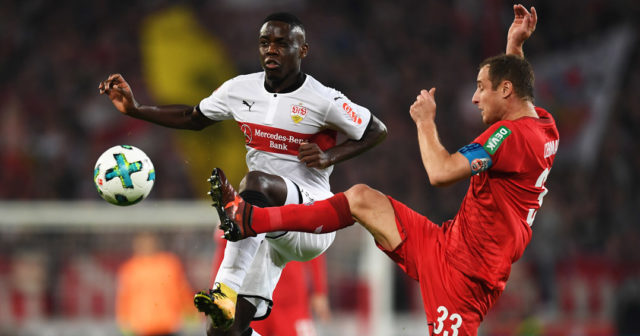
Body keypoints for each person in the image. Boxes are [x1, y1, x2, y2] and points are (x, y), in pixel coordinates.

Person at [210, 5, 558, 336]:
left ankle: (249, 219)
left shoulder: (507, 136)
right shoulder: (544, 125)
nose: (475, 98)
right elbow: (518, 93)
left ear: (506, 90)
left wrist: (425, 122)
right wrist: (514, 47)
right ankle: (250, 219)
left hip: (466, 281)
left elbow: (440, 172)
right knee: (361, 198)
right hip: (446, 244)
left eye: (481, 88)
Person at [99, 12, 387, 336]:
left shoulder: (323, 99)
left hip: (312, 216)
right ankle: (230, 296)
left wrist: (329, 156)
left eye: (282, 43)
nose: (271, 50)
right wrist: (136, 109)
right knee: (223, 331)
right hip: (263, 232)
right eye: (265, 42)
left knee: (254, 184)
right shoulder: (240, 89)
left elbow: (376, 130)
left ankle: (225, 286)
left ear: (302, 50)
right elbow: (194, 117)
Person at [212, 236, 330, 336]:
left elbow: (313, 244)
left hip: (291, 303)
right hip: (251, 302)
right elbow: (226, 254)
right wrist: (217, 297)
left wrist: (319, 291)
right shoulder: (235, 211)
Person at [115, 232, 196, 336]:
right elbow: (124, 298)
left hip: (168, 325)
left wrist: (190, 312)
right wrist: (124, 321)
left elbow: (182, 291)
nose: (146, 245)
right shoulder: (130, 268)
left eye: (149, 242)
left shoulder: (169, 264)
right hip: (141, 326)